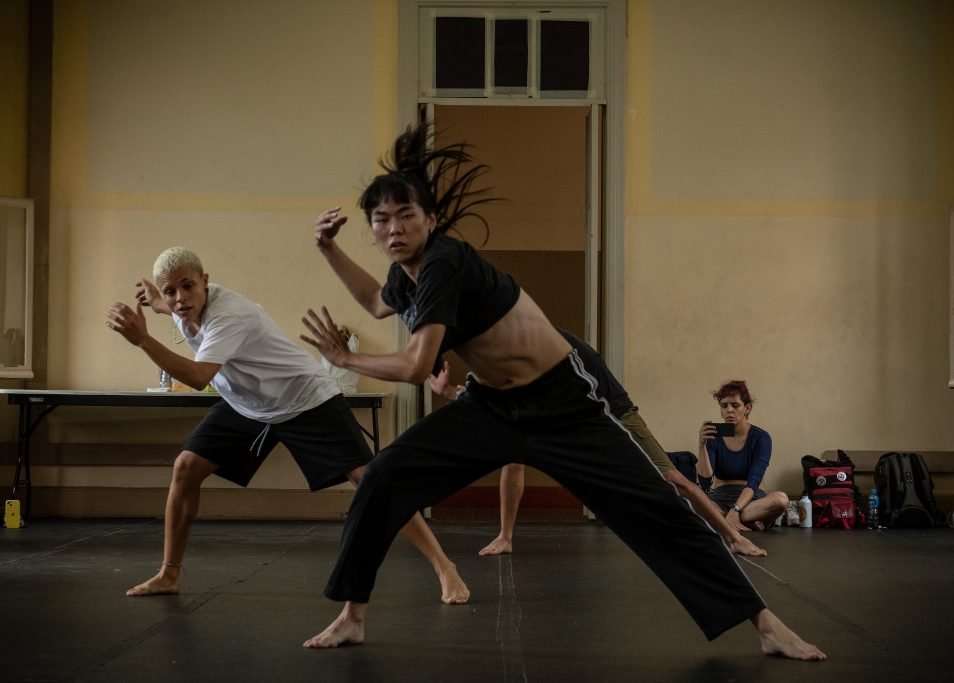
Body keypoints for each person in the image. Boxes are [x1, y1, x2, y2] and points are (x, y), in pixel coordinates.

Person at [298, 122, 825, 660]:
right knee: (383, 475)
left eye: (406, 215)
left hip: (564, 404)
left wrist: (344, 359)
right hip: (492, 406)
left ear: (431, 220)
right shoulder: (406, 276)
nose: (393, 229)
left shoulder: (443, 261)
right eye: (381, 220)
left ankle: (765, 623)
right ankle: (351, 616)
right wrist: (326, 248)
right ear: (370, 229)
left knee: (656, 507)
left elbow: (416, 365)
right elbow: (375, 304)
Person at [104, 247, 469, 604]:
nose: (180, 298)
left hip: (306, 399)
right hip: (249, 405)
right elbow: (175, 306)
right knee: (186, 466)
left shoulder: (230, 313)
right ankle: (169, 573)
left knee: (369, 479)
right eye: (171, 291)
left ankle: (444, 566)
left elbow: (200, 376)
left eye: (187, 286)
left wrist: (143, 340)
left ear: (206, 282)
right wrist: (157, 302)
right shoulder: (182, 304)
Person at [427, 337, 766, 559]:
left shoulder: (552, 345)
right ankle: (505, 536)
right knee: (514, 456)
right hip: (567, 418)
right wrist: (448, 392)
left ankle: (732, 537)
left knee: (674, 479)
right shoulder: (504, 356)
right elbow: (490, 392)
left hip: (614, 413)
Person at [697, 380, 789, 532]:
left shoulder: (761, 437)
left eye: (735, 405)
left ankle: (723, 520)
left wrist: (736, 509)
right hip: (720, 499)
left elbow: (754, 481)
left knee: (781, 500)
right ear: (720, 410)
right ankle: (746, 521)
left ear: (747, 408)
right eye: (724, 406)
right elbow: (705, 483)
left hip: (751, 500)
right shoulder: (713, 436)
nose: (729, 410)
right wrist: (702, 446)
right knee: (689, 500)